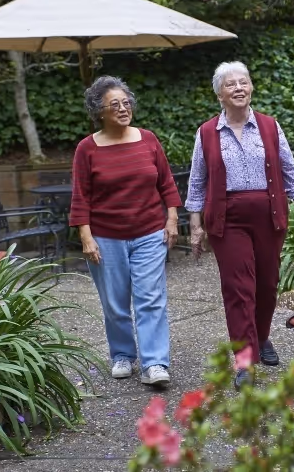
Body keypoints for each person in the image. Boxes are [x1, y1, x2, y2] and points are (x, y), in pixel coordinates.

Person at [186, 61, 294, 390]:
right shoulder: (206, 133)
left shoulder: (270, 127)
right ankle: (244, 359)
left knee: (267, 286)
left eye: (244, 82)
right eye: (231, 84)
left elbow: (290, 170)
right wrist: (196, 225)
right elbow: (197, 182)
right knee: (239, 289)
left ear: (251, 88)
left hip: (270, 215)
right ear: (219, 94)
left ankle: (261, 337)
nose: (239, 88)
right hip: (227, 220)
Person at [69, 75, 181, 387]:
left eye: (126, 102)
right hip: (105, 237)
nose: (123, 108)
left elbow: (166, 183)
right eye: (114, 104)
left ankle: (155, 363)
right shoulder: (87, 149)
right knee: (115, 303)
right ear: (99, 112)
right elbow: (81, 196)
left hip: (148, 232)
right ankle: (122, 354)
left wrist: (171, 218)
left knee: (150, 298)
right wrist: (85, 235)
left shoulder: (148, 139)